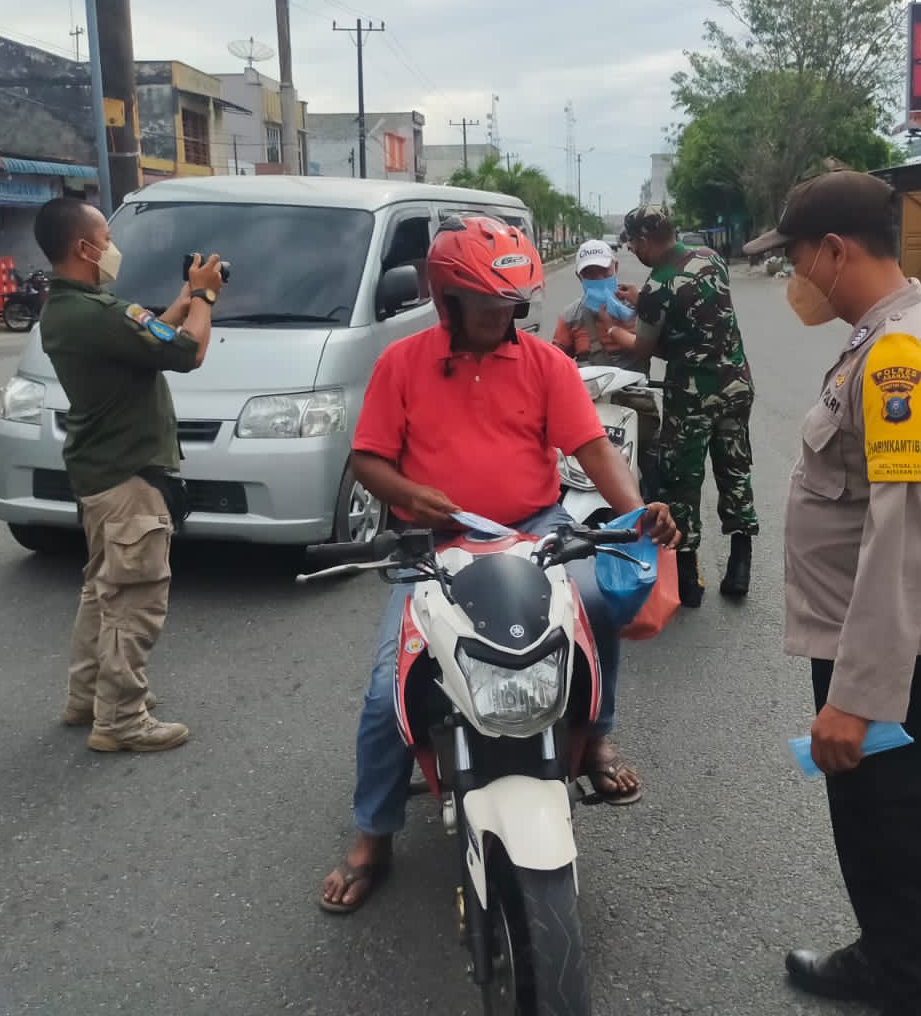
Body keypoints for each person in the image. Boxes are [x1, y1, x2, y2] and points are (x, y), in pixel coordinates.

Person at [318, 216, 679, 915]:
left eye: (510, 305)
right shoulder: (401, 363)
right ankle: (374, 835)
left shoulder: (546, 364)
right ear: (447, 300)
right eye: (485, 306)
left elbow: (595, 449)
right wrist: (406, 494)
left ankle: (595, 737)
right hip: (434, 546)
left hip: (534, 531)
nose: (500, 318)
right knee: (386, 687)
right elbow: (367, 458)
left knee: (597, 605)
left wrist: (634, 515)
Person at [748, 171, 921, 1016]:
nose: (793, 279)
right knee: (872, 830)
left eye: (796, 259)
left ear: (836, 251)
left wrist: (860, 693)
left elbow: (904, 527)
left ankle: (916, 989)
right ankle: (884, 959)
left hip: (894, 653)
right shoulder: (884, 337)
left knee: (899, 837)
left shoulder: (898, 359)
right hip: (876, 642)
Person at [35, 195, 227, 753]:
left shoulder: (78, 310)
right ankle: (120, 719)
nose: (112, 247)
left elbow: (156, 335)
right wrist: (208, 298)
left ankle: (89, 696)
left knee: (103, 591)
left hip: (102, 474)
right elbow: (188, 350)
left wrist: (188, 295)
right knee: (136, 596)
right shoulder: (94, 314)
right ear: (83, 247)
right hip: (126, 478)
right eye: (105, 236)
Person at [605, 207, 756, 605]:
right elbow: (698, 315)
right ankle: (741, 565)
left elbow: (645, 347)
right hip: (736, 384)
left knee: (682, 480)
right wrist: (645, 302)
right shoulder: (711, 258)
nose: (635, 250)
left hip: (691, 395)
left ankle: (689, 580)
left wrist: (617, 333)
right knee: (734, 469)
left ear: (644, 240)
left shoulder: (658, 286)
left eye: (635, 243)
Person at [552, 238, 638, 366]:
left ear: (616, 267)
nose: (598, 278)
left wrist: (642, 307)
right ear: (579, 277)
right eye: (590, 274)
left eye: (603, 271)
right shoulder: (571, 317)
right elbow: (553, 362)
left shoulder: (639, 305)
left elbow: (664, 348)